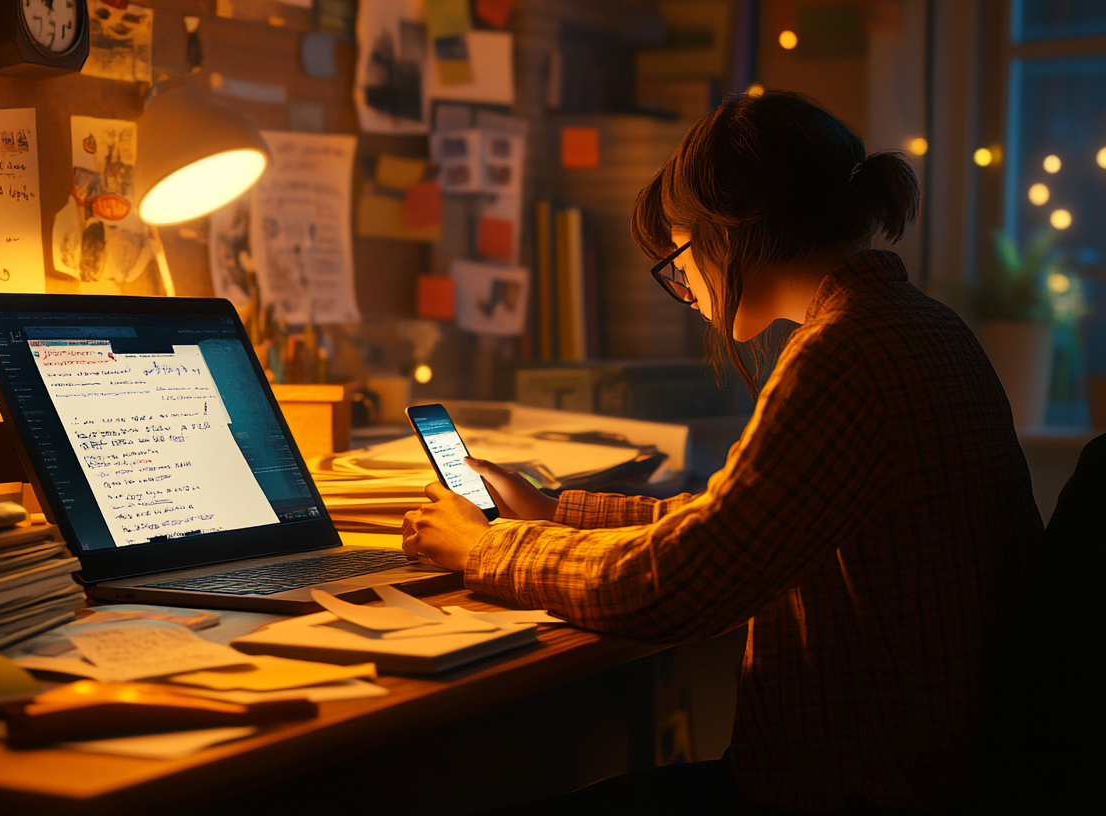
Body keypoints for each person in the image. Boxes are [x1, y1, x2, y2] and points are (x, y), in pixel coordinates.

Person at [401, 91, 1042, 815]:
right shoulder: (924, 326)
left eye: (678, 254)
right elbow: (741, 525)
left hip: (861, 789)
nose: (687, 285)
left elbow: (678, 585)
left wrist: (486, 550)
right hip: (944, 771)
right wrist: (555, 510)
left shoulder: (843, 355)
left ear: (729, 233)